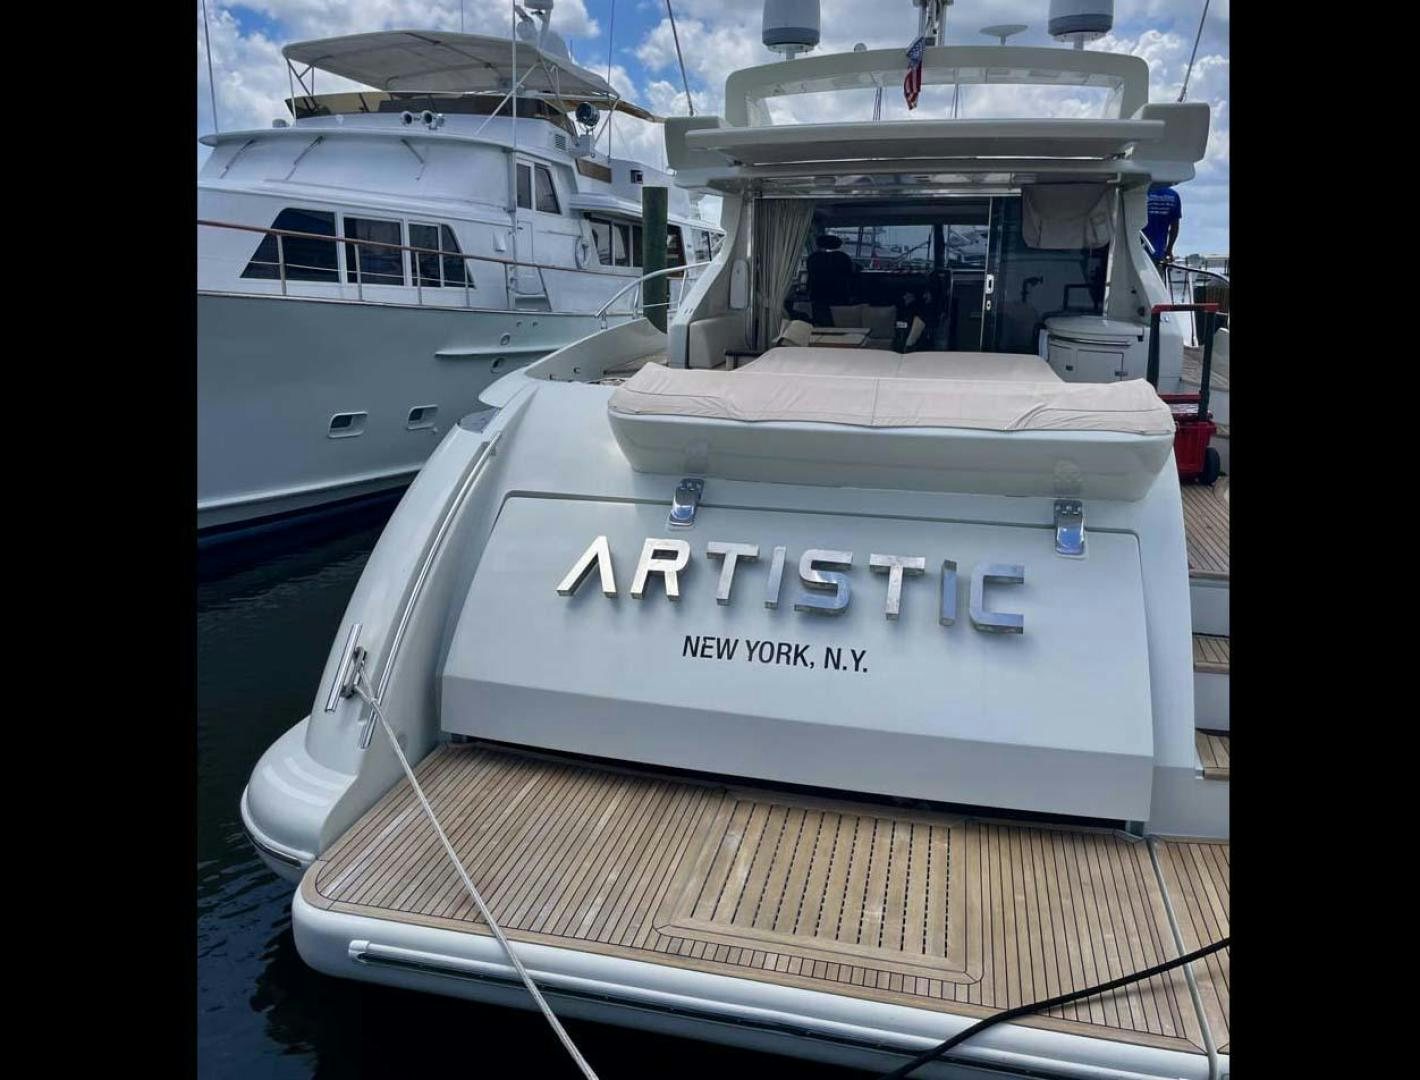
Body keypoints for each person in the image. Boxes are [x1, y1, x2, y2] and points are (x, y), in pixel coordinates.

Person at [805, 233, 855, 326]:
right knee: (841, 322)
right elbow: (851, 275)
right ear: (838, 244)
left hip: (818, 295)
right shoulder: (843, 258)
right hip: (839, 294)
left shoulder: (812, 258)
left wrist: (807, 291)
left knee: (822, 323)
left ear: (818, 244)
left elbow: (810, 277)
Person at [1144, 182, 1181, 270]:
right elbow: (1174, 227)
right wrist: (1169, 249)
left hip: (1139, 249)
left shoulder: (1142, 194)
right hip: (1159, 251)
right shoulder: (1174, 196)